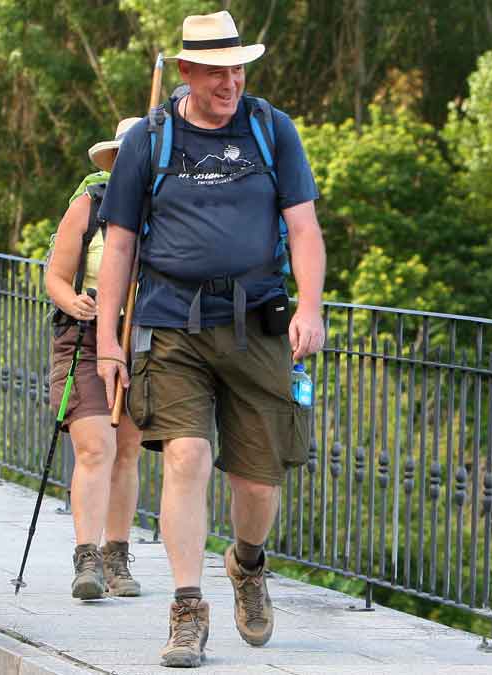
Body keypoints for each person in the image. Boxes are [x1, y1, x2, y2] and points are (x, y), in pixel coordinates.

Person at [95, 10, 326, 669]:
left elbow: (304, 229)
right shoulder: (150, 139)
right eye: (217, 70)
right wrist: (111, 337)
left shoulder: (270, 129)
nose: (230, 81)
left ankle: (247, 564)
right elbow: (119, 244)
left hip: (258, 322)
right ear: (188, 72)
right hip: (171, 323)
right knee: (186, 456)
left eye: (238, 68)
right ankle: (187, 609)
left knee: (259, 480)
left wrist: (309, 306)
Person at [45, 116, 145, 600]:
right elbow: (56, 277)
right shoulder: (90, 206)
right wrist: (73, 302)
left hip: (142, 340)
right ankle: (86, 557)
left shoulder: (165, 213)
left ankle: (117, 556)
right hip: (84, 340)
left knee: (127, 450)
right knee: (95, 447)